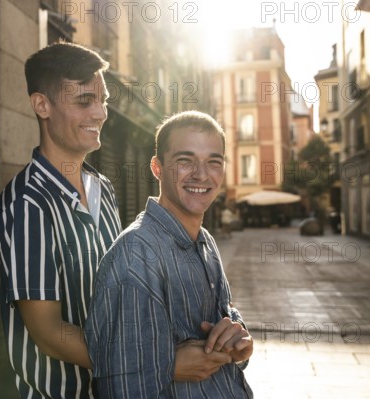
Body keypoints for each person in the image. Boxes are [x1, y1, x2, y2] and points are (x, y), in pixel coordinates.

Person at [86, 111, 254, 398]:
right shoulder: (135, 257)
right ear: (157, 168)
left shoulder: (205, 242)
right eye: (184, 161)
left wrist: (240, 344)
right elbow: (125, 389)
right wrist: (167, 365)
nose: (201, 174)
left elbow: (225, 329)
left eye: (214, 162)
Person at [0, 42, 122, 398]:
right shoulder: (26, 204)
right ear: (41, 105)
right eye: (84, 101)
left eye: (103, 100)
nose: (100, 112)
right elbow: (49, 334)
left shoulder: (103, 188)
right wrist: (154, 360)